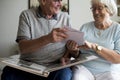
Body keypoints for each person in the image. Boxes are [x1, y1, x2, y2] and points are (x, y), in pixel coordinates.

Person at [1, 0, 72, 80]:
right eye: (56, 0)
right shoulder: (26, 15)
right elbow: (23, 48)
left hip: (55, 67)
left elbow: (69, 45)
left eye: (61, 0)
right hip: (29, 67)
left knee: (64, 75)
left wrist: (66, 55)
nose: (60, 4)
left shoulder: (66, 17)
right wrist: (47, 39)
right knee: (8, 73)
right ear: (43, 1)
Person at [65, 0, 120, 80]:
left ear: (109, 9)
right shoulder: (85, 27)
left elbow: (118, 59)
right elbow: (77, 54)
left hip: (108, 71)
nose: (96, 12)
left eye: (100, 8)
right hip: (85, 68)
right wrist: (73, 50)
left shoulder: (117, 29)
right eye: (93, 9)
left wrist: (94, 46)